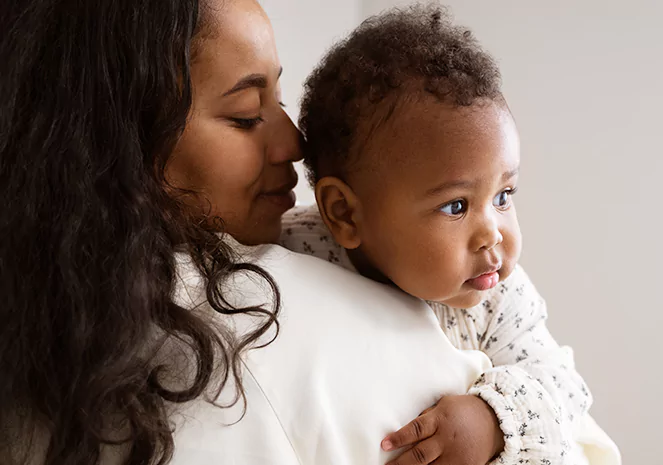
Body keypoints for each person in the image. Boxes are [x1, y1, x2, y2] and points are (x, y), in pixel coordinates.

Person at [0, 0, 492, 464]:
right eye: (246, 116)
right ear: (117, 143)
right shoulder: (271, 324)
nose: (295, 143)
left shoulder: (40, 325)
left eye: (278, 100)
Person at [282, 5, 620, 465]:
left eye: (504, 195)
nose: (492, 234)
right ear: (345, 214)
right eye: (456, 205)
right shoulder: (296, 252)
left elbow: (562, 386)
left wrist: (491, 421)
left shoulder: (500, 297)